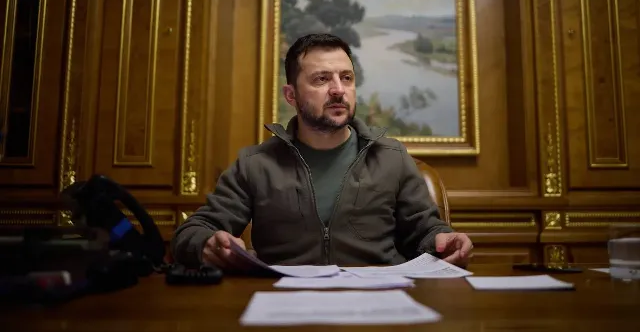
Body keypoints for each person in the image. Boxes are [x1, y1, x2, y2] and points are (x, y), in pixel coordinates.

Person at [171, 33, 473, 271]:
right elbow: (194, 230)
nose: (338, 89)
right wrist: (204, 244)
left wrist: (443, 241)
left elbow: (425, 230)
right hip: (284, 306)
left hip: (378, 305)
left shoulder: (391, 157)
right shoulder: (255, 164)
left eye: (346, 78)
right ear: (291, 95)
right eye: (322, 79)